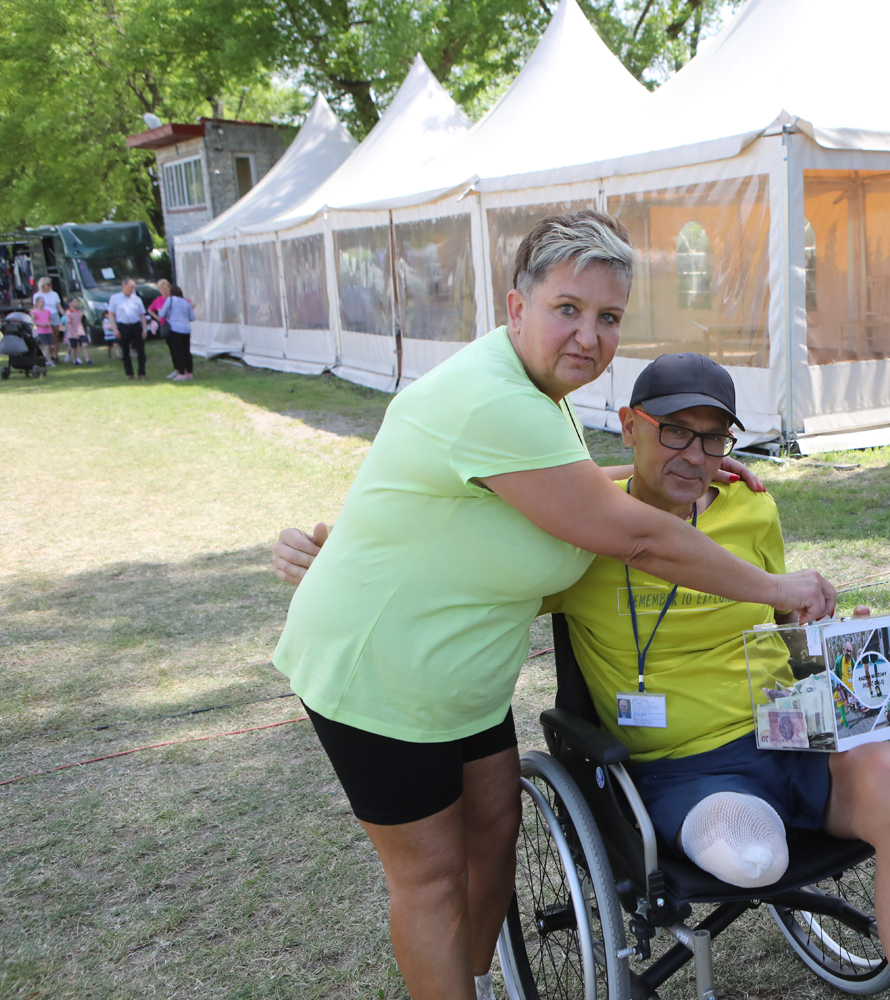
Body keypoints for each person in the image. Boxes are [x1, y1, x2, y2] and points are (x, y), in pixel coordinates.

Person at [267, 211, 835, 1000]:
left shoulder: (539, 395)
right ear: (516, 308)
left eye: (608, 317)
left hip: (464, 675)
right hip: (382, 675)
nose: (588, 335)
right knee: (432, 876)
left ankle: (470, 980)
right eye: (568, 308)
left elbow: (549, 479)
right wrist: (777, 588)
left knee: (495, 833)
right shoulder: (492, 397)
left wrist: (673, 464)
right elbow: (638, 538)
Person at [284, 352, 890, 1000]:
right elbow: (455, 555)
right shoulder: (577, 534)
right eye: (675, 432)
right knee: (755, 857)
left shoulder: (752, 507)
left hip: (793, 738)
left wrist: (837, 645)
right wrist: (339, 555)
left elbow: (781, 623)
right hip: (685, 772)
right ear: (630, 426)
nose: (695, 454)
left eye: (713, 439)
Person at [107, 277, 148, 380]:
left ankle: (142, 373)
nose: (133, 289)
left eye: (134, 287)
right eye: (131, 287)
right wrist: (115, 329)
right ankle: (129, 373)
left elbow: (142, 315)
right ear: (124, 286)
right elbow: (111, 314)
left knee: (141, 351)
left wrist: (144, 329)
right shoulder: (115, 298)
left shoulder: (137, 299)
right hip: (123, 326)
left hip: (136, 326)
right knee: (125, 351)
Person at [157, 283, 196, 380]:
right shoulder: (186, 302)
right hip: (186, 329)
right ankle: (189, 372)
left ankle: (181, 373)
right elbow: (192, 317)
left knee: (178, 351)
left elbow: (162, 314)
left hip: (175, 328)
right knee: (186, 351)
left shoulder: (170, 300)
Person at [38, 277, 63, 363]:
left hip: (54, 314)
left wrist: (64, 315)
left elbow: (59, 306)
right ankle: (49, 355)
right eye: (47, 284)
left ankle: (55, 355)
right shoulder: (38, 295)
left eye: (50, 284)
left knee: (56, 336)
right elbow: (36, 308)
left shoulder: (54, 294)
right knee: (50, 336)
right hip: (44, 316)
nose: (49, 286)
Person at [63, 298, 91, 365]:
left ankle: (87, 360)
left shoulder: (79, 312)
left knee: (85, 345)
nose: (77, 303)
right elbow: (69, 324)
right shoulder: (68, 313)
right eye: (75, 302)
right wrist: (73, 333)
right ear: (70, 303)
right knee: (74, 347)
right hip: (72, 333)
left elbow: (80, 322)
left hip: (80, 331)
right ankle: (74, 361)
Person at [30, 294, 55, 365]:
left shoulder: (47, 311)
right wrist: (40, 324)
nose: (43, 303)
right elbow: (32, 321)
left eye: (43, 302)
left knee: (52, 346)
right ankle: (49, 360)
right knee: (46, 346)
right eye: (41, 302)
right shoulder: (35, 312)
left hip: (48, 330)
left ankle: (46, 356)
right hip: (41, 331)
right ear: (37, 303)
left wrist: (49, 323)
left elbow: (50, 320)